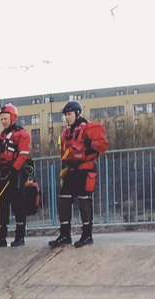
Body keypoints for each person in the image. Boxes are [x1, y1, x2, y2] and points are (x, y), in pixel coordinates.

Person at [50, 101, 110, 249]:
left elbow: (102, 146)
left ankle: (87, 235)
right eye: (65, 115)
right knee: (63, 199)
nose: (67, 118)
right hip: (71, 170)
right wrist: (64, 168)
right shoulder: (66, 133)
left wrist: (90, 144)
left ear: (77, 113)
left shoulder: (89, 128)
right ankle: (65, 235)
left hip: (85, 168)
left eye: (69, 114)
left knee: (84, 201)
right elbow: (64, 153)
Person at [0, 104, 33, 250]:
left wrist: (13, 170)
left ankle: (19, 237)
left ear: (13, 118)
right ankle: (0, 237)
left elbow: (24, 154)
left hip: (16, 174)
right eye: (1, 119)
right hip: (3, 174)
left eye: (5, 118)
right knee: (2, 206)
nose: (3, 121)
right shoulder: (1, 136)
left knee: (18, 205)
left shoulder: (21, 134)